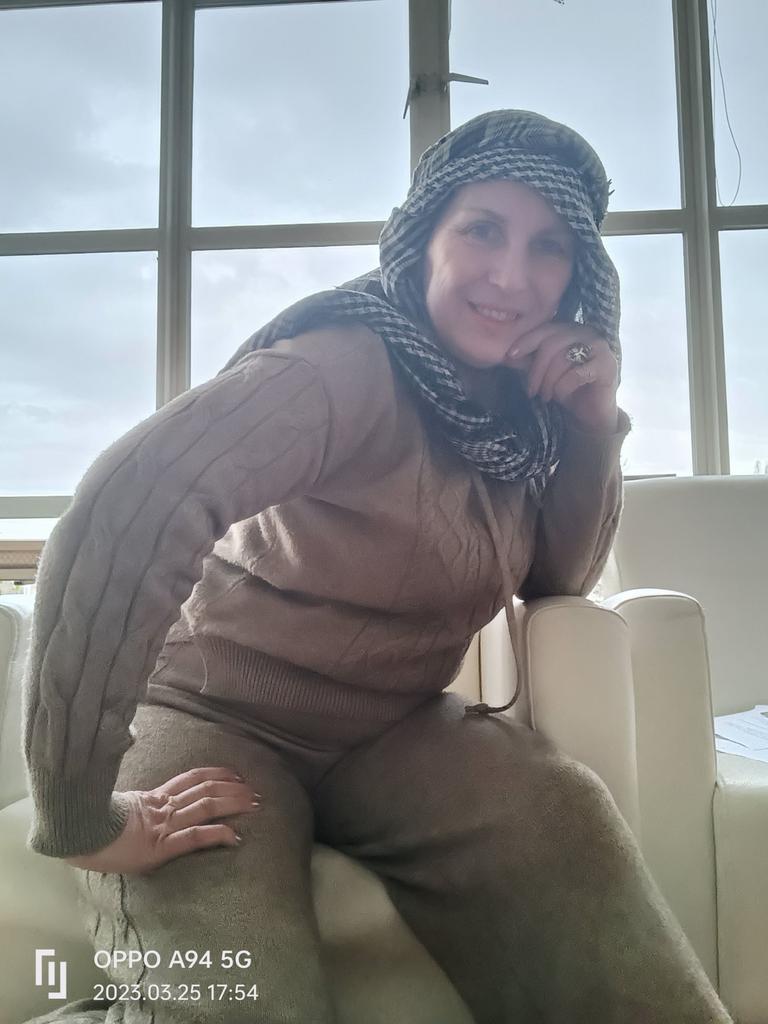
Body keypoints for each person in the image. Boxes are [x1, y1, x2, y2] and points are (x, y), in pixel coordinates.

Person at [22, 109, 734, 1024]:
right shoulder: (339, 365)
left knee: (561, 814)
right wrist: (83, 815)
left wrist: (594, 427)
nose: (511, 275)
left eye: (549, 246)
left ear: (578, 276)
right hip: (210, 714)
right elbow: (125, 511)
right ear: (424, 236)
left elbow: (558, 583)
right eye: (483, 230)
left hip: (393, 731)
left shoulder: (523, 412)